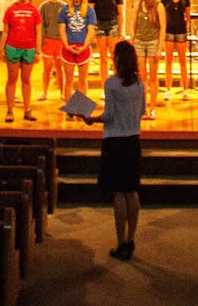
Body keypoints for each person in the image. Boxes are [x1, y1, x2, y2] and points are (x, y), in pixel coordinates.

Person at [81, 39, 145, 260]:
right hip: (133, 139)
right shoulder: (139, 84)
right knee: (132, 191)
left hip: (115, 141)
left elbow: (108, 115)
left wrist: (91, 119)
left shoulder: (111, 84)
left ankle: (120, 242)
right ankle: (131, 238)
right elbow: (142, 111)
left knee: (118, 193)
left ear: (118, 59)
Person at [0, 0, 41, 123]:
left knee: (26, 80)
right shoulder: (11, 10)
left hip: (29, 49)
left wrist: (38, 51)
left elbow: (38, 32)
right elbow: (5, 31)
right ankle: (10, 111)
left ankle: (27, 110)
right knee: (12, 80)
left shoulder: (34, 11)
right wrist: (1, 49)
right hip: (13, 48)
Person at [57, 0, 97, 106]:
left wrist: (84, 47)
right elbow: (62, 30)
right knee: (68, 81)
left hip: (83, 48)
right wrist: (66, 45)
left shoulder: (89, 10)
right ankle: (69, 108)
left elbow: (91, 31)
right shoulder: (64, 10)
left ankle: (81, 108)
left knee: (82, 80)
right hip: (68, 48)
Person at [129, 0, 162, 119]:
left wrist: (160, 48)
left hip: (153, 42)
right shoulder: (138, 5)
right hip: (139, 43)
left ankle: (152, 109)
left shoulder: (158, 6)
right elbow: (133, 25)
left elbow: (163, 28)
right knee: (142, 78)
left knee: (153, 77)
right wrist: (132, 39)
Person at [89, 0, 124, 90]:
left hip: (113, 25)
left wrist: (121, 30)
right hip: (100, 25)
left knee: (114, 56)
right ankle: (105, 86)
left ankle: (117, 85)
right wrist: (92, 31)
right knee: (103, 58)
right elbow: (91, 13)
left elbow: (120, 13)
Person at [160, 0, 192, 99]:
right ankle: (168, 90)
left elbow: (188, 17)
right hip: (168, 32)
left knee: (182, 61)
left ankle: (185, 90)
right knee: (168, 61)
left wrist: (186, 30)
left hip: (181, 32)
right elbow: (162, 16)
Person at [38, 0, 64, 100]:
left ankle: (63, 93)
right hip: (48, 41)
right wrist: (42, 41)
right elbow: (41, 25)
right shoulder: (44, 6)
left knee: (60, 69)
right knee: (47, 69)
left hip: (61, 42)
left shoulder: (64, 6)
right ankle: (45, 92)